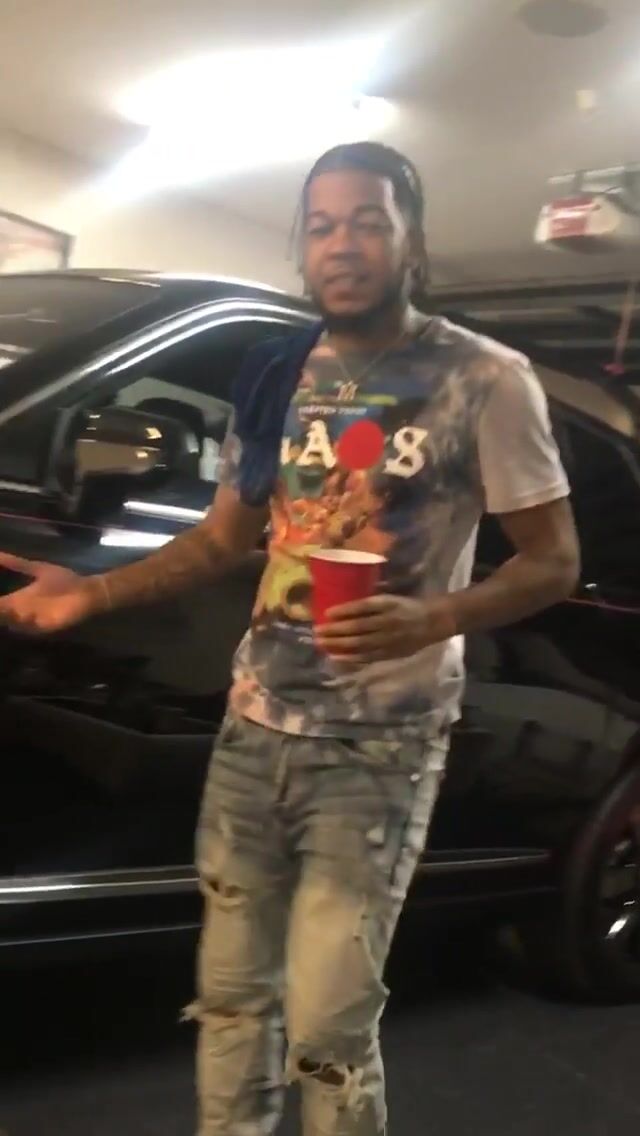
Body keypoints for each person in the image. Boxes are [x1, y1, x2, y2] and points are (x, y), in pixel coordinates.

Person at [0, 142, 580, 1135]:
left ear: (412, 241)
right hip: (253, 733)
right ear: (303, 247)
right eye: (321, 226)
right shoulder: (277, 371)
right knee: (231, 1003)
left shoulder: (485, 378)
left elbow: (554, 560)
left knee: (327, 1031)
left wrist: (435, 615)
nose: (342, 244)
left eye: (368, 222)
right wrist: (89, 597)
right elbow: (223, 540)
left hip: (378, 751)